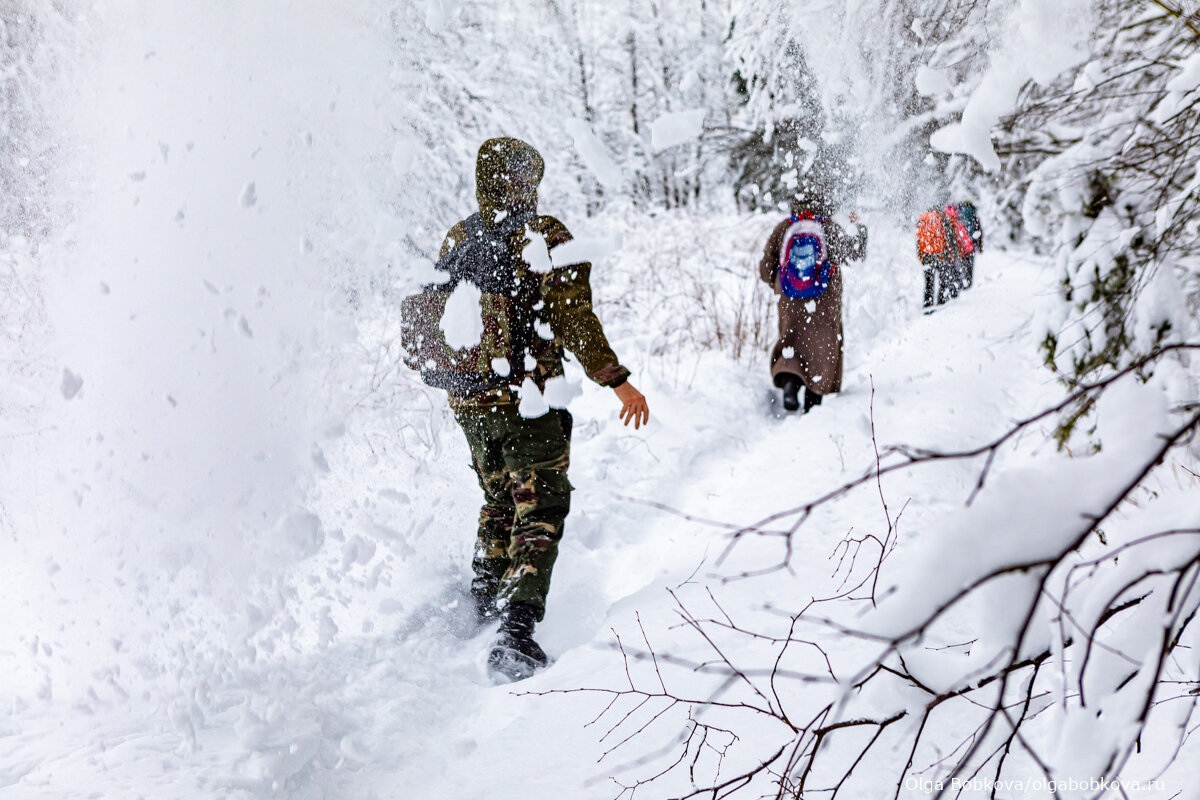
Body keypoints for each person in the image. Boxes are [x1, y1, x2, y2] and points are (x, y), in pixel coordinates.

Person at [434, 137, 649, 679]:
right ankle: (515, 631)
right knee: (541, 507)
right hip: (527, 399)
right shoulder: (545, 235)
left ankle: (483, 602)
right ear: (521, 180)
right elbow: (574, 319)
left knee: (499, 498)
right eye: (529, 176)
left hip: (469, 400)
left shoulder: (457, 237)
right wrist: (616, 380)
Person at [759, 186, 867, 413]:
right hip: (823, 299)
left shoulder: (785, 228)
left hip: (790, 299)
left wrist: (783, 286)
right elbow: (855, 252)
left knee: (792, 340)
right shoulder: (828, 227)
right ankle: (813, 399)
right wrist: (858, 227)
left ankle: (790, 383)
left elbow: (766, 268)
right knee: (822, 345)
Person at [917, 207, 957, 310]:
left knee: (929, 282)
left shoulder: (923, 220)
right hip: (939, 255)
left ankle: (928, 304)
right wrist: (951, 253)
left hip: (926, 256)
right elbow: (948, 237)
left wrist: (920, 254)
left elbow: (919, 239)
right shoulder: (942, 219)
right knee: (942, 279)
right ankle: (941, 301)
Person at [944, 203, 975, 292]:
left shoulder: (942, 221)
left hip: (943, 253)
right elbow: (964, 238)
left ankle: (944, 296)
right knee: (956, 272)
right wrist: (966, 251)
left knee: (945, 276)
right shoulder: (956, 223)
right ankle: (955, 290)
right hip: (956, 252)